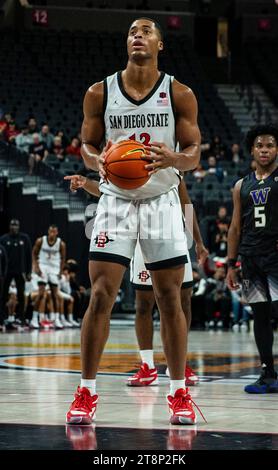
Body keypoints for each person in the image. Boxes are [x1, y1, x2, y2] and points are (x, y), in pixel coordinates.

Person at [65, 17, 202, 426]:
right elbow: (88, 145)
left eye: (146, 31)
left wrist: (174, 159)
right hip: (116, 200)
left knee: (169, 297)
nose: (137, 35)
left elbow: (193, 152)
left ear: (161, 44)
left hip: (161, 198)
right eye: (131, 31)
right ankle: (87, 392)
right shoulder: (99, 92)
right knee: (102, 294)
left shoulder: (179, 93)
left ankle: (178, 392)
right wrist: (98, 161)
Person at [64, 174, 208, 386]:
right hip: (135, 233)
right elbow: (105, 189)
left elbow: (185, 203)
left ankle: (178, 363)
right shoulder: (119, 157)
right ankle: (147, 365)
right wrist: (86, 183)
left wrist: (197, 240)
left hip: (168, 230)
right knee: (143, 303)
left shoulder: (168, 160)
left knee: (181, 300)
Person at [226, 123, 278, 393]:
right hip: (250, 257)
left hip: (275, 255)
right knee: (259, 315)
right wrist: (231, 264)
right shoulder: (240, 185)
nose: (265, 149)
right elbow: (235, 227)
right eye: (260, 145)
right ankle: (268, 373)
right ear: (251, 150)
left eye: (270, 145)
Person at [32, 225, 66, 329]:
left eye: (54, 232)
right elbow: (34, 254)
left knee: (55, 296)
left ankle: (56, 319)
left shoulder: (61, 243)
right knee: (41, 294)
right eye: (50, 231)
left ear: (57, 232)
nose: (52, 234)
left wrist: (60, 271)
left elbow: (63, 258)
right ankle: (34, 319)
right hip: (43, 267)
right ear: (48, 231)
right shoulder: (40, 241)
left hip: (54, 269)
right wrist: (36, 267)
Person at [0, 219, 32, 329]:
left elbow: (29, 256)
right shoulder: (3, 239)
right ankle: (3, 317)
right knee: (3, 295)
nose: (14, 227)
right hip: (6, 272)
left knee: (21, 296)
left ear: (19, 226)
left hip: (20, 272)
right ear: (9, 226)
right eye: (12, 225)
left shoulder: (25, 238)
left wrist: (29, 271)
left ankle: (20, 318)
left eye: (16, 225)